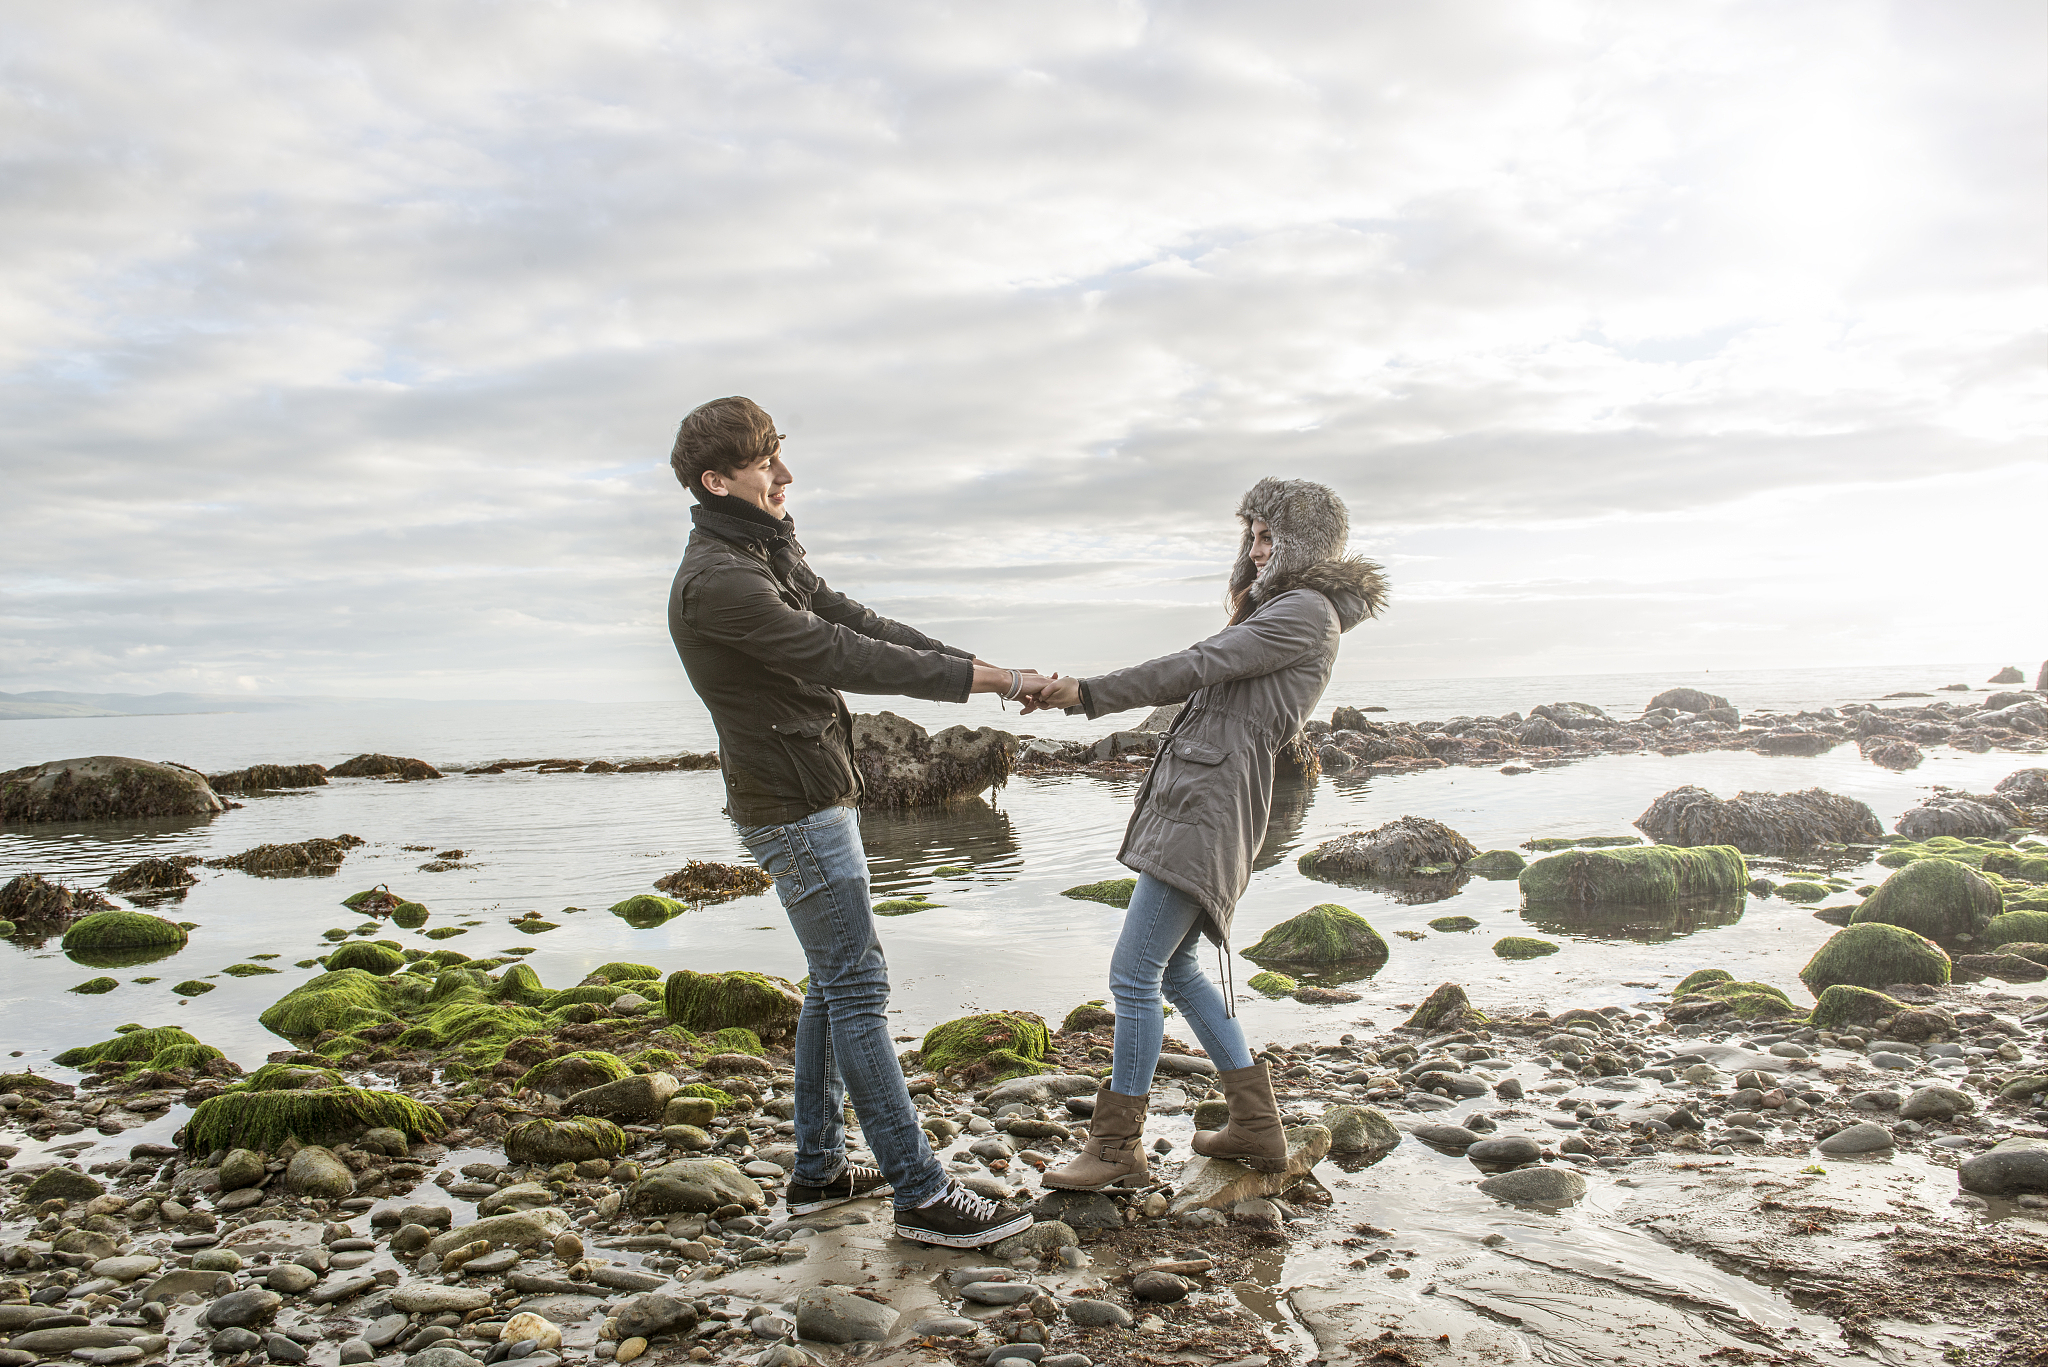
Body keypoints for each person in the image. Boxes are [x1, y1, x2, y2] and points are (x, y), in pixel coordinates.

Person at [666, 396, 1042, 1248]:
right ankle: (920, 1192)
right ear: (716, 480)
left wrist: (986, 670)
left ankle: (820, 1170)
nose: (786, 476)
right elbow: (843, 655)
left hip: (811, 791)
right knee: (858, 985)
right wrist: (994, 685)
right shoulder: (720, 581)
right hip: (794, 809)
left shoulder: (757, 552)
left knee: (830, 983)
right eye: (767, 464)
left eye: (779, 457)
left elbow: (858, 621)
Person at [1032, 478, 1385, 1191]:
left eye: (1268, 538)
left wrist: (1088, 692)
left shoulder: (1305, 612)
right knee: (1178, 969)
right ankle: (1256, 1127)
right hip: (1204, 799)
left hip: (1210, 807)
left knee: (1133, 974)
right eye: (1250, 536)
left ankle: (1116, 1149)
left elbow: (1197, 665)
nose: (1255, 553)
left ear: (1302, 545)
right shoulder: (1283, 608)